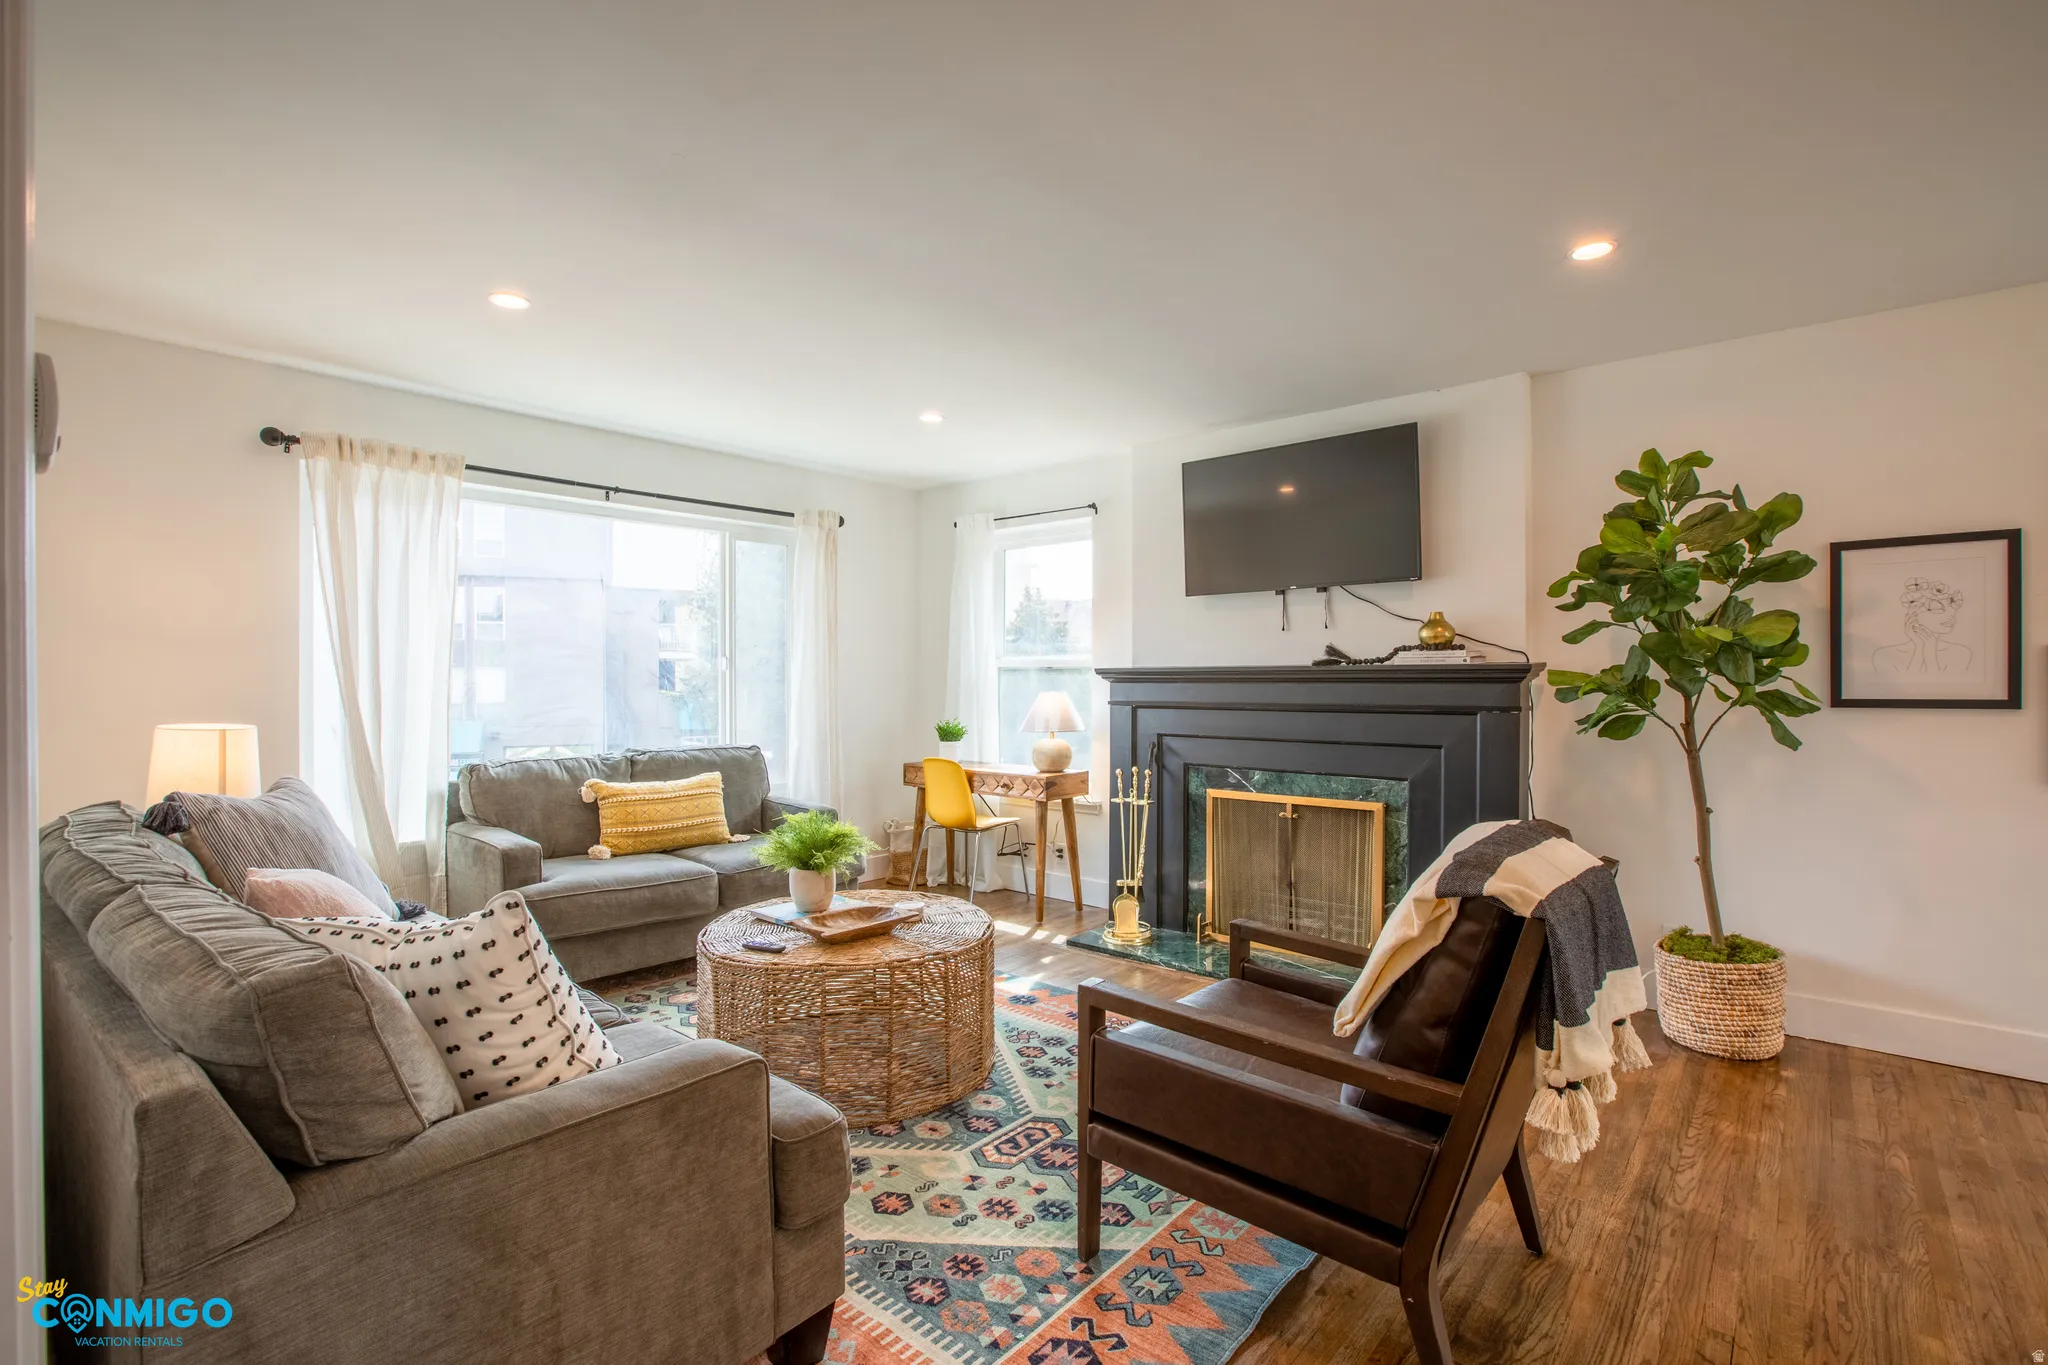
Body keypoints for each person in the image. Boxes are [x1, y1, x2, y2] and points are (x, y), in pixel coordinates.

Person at [1871, 576, 1972, 675]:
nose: (1951, 615)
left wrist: (1930, 653)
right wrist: (1919, 647)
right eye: (1938, 609)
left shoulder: (1961, 653)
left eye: (1952, 608)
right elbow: (1907, 688)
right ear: (1914, 613)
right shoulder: (1883, 655)